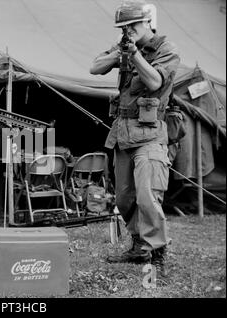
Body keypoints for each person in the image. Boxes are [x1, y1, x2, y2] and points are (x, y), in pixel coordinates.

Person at [90, 0, 180, 277]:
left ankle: (158, 251)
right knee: (124, 198)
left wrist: (135, 56)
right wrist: (120, 52)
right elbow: (95, 68)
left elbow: (154, 82)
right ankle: (140, 247)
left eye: (132, 25)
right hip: (122, 135)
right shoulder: (125, 47)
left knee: (147, 195)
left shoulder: (167, 50)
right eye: (123, 27)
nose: (128, 30)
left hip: (150, 136)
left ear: (147, 23)